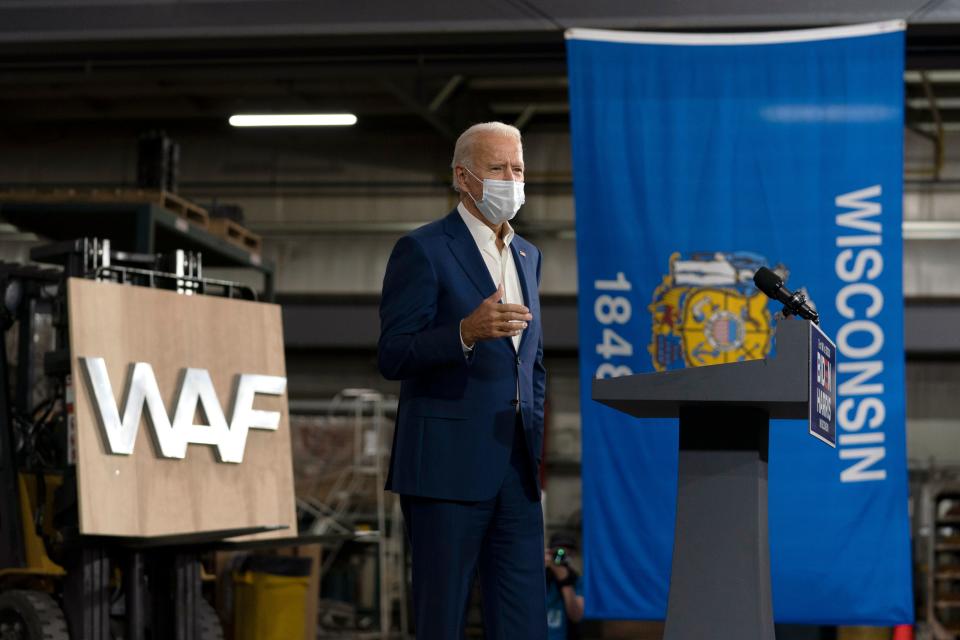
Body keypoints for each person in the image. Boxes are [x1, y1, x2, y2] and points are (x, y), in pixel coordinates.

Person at [378, 121, 547, 639]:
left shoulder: (528, 255)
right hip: (445, 472)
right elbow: (393, 355)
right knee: (441, 620)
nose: (511, 180)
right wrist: (464, 333)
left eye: (517, 168)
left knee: (523, 624)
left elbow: (531, 362)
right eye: (498, 168)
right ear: (463, 177)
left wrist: (534, 432)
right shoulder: (424, 249)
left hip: (516, 470)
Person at [544, 533, 585, 640]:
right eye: (558, 552)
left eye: (567, 553)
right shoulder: (540, 577)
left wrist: (565, 581)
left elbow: (576, 616)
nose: (561, 555)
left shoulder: (576, 580)